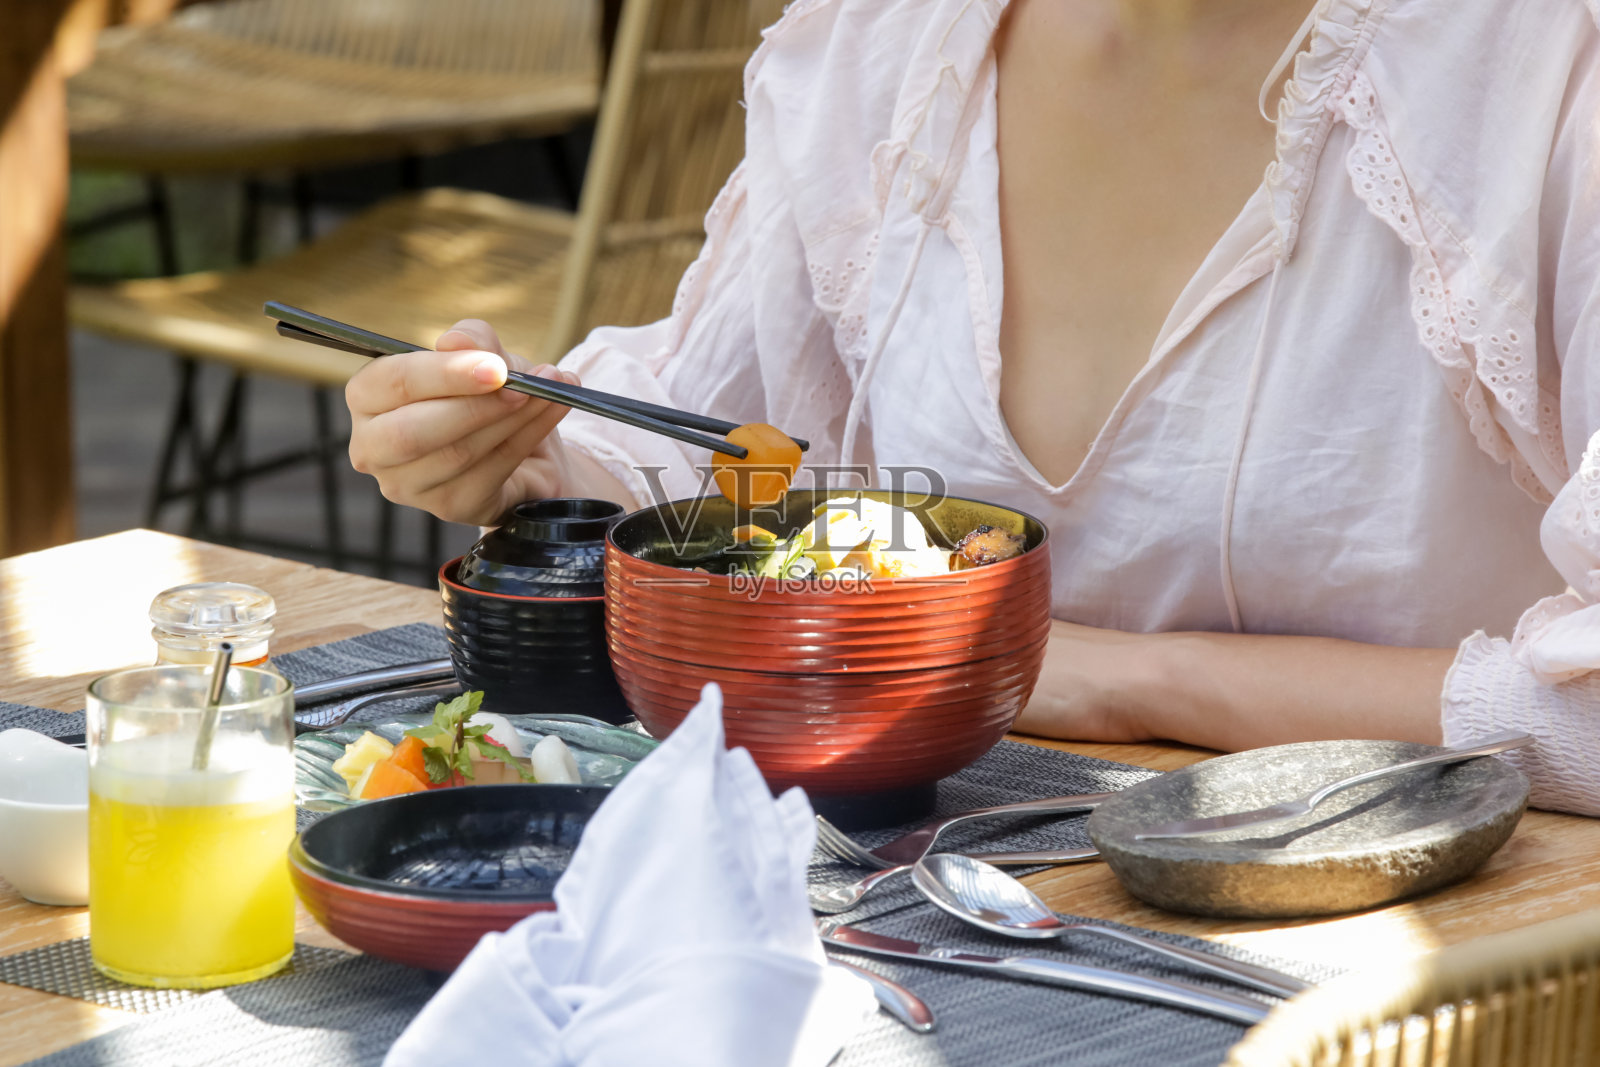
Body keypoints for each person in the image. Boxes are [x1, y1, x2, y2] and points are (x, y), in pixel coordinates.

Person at [346, 0, 1600, 814]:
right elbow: (712, 446)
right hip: (950, 915)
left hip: (1419, 955)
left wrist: (1123, 681)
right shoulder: (891, 38)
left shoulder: (1544, 71)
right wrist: (525, 461)